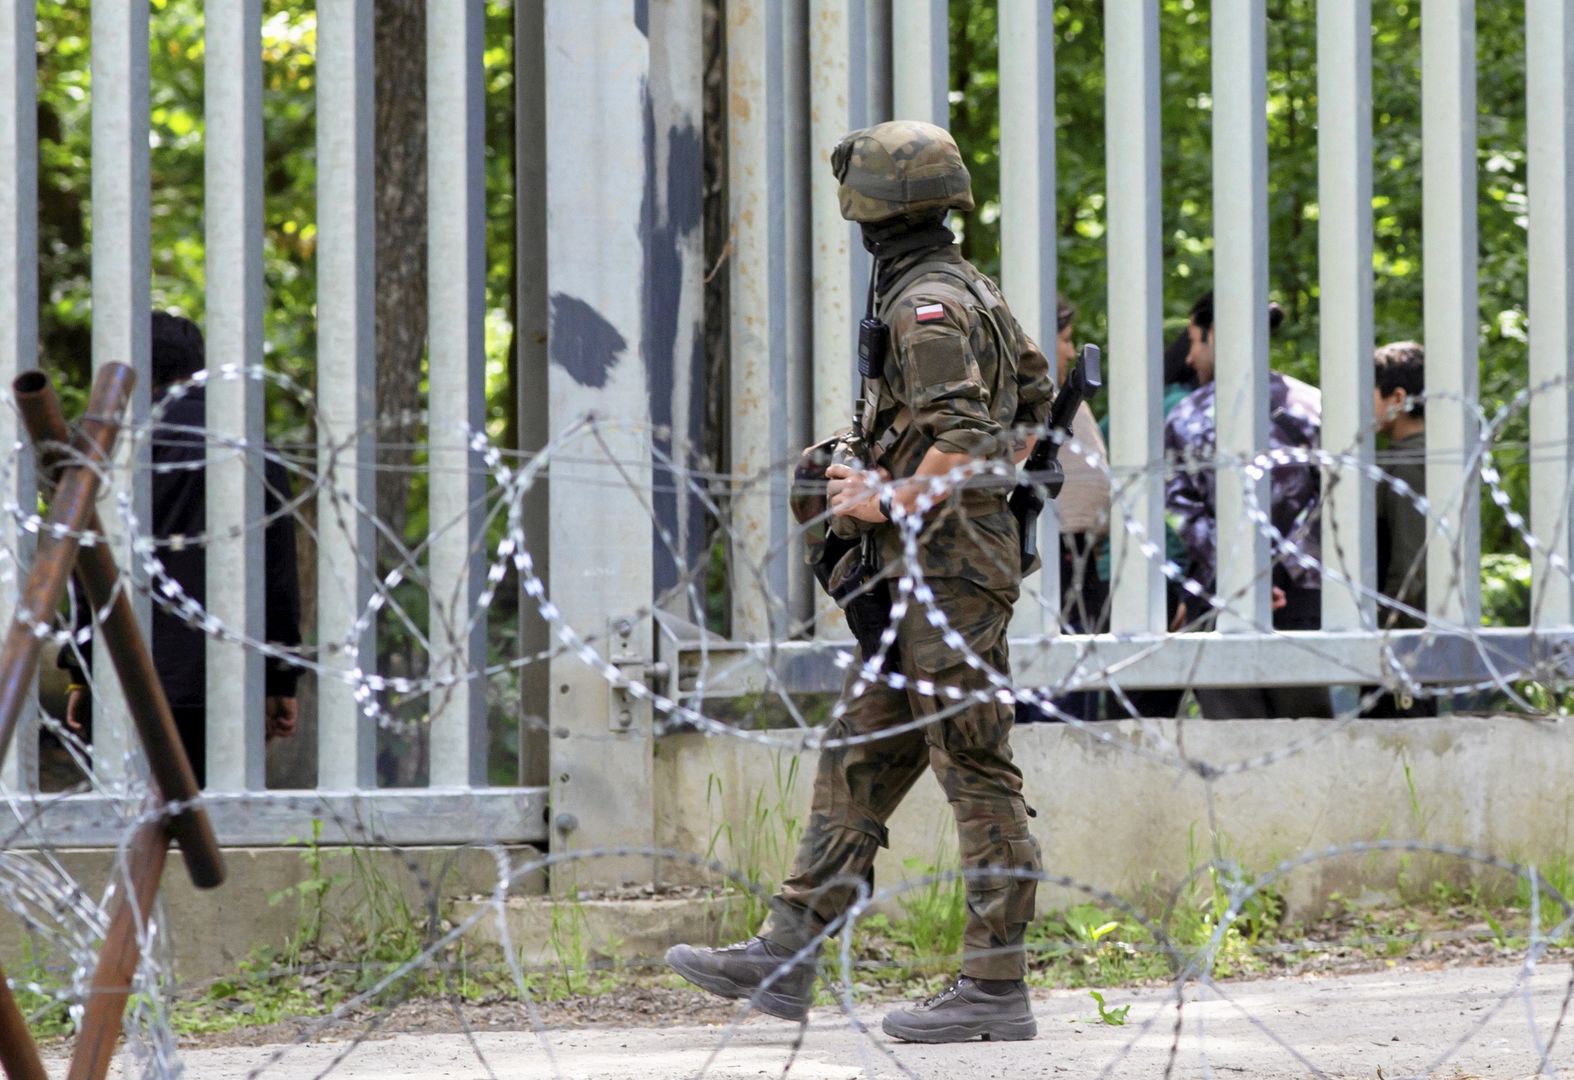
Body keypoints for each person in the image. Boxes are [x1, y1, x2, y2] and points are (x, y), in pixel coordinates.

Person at [666, 120, 1051, 1043]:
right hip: (937, 566)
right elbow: (1036, 405)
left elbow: (976, 438)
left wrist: (890, 495)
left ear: (869, 210)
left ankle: (996, 988)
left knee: (974, 763)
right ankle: (790, 948)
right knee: (862, 749)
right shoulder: (965, 289)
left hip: (948, 571)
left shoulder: (929, 306)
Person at [61, 312, 303, 785]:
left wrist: (79, 668)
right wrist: (280, 679)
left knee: (123, 828)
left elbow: (82, 566)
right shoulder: (247, 442)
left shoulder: (107, 447)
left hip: (123, 671)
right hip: (224, 680)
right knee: (216, 827)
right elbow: (278, 573)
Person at [1164, 290, 1332, 719]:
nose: (1189, 358)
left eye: (1195, 342)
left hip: (1221, 591)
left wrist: (1246, 572)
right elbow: (1333, 503)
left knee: (1231, 733)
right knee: (1307, 733)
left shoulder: (1185, 419)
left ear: (1215, 335)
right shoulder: (1313, 408)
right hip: (1303, 592)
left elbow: (1180, 509)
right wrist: (1276, 570)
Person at [1017, 295, 1110, 723]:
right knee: (1058, 696)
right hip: (1049, 555)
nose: (1071, 351)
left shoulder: (1058, 399)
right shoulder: (1028, 402)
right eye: (1066, 339)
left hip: (1073, 557)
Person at [1366, 340, 1433, 717]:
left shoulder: (1403, 466)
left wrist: (1385, 630)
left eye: (1370, 394)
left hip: (1401, 648)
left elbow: (1408, 567)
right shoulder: (1438, 457)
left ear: (1398, 398)